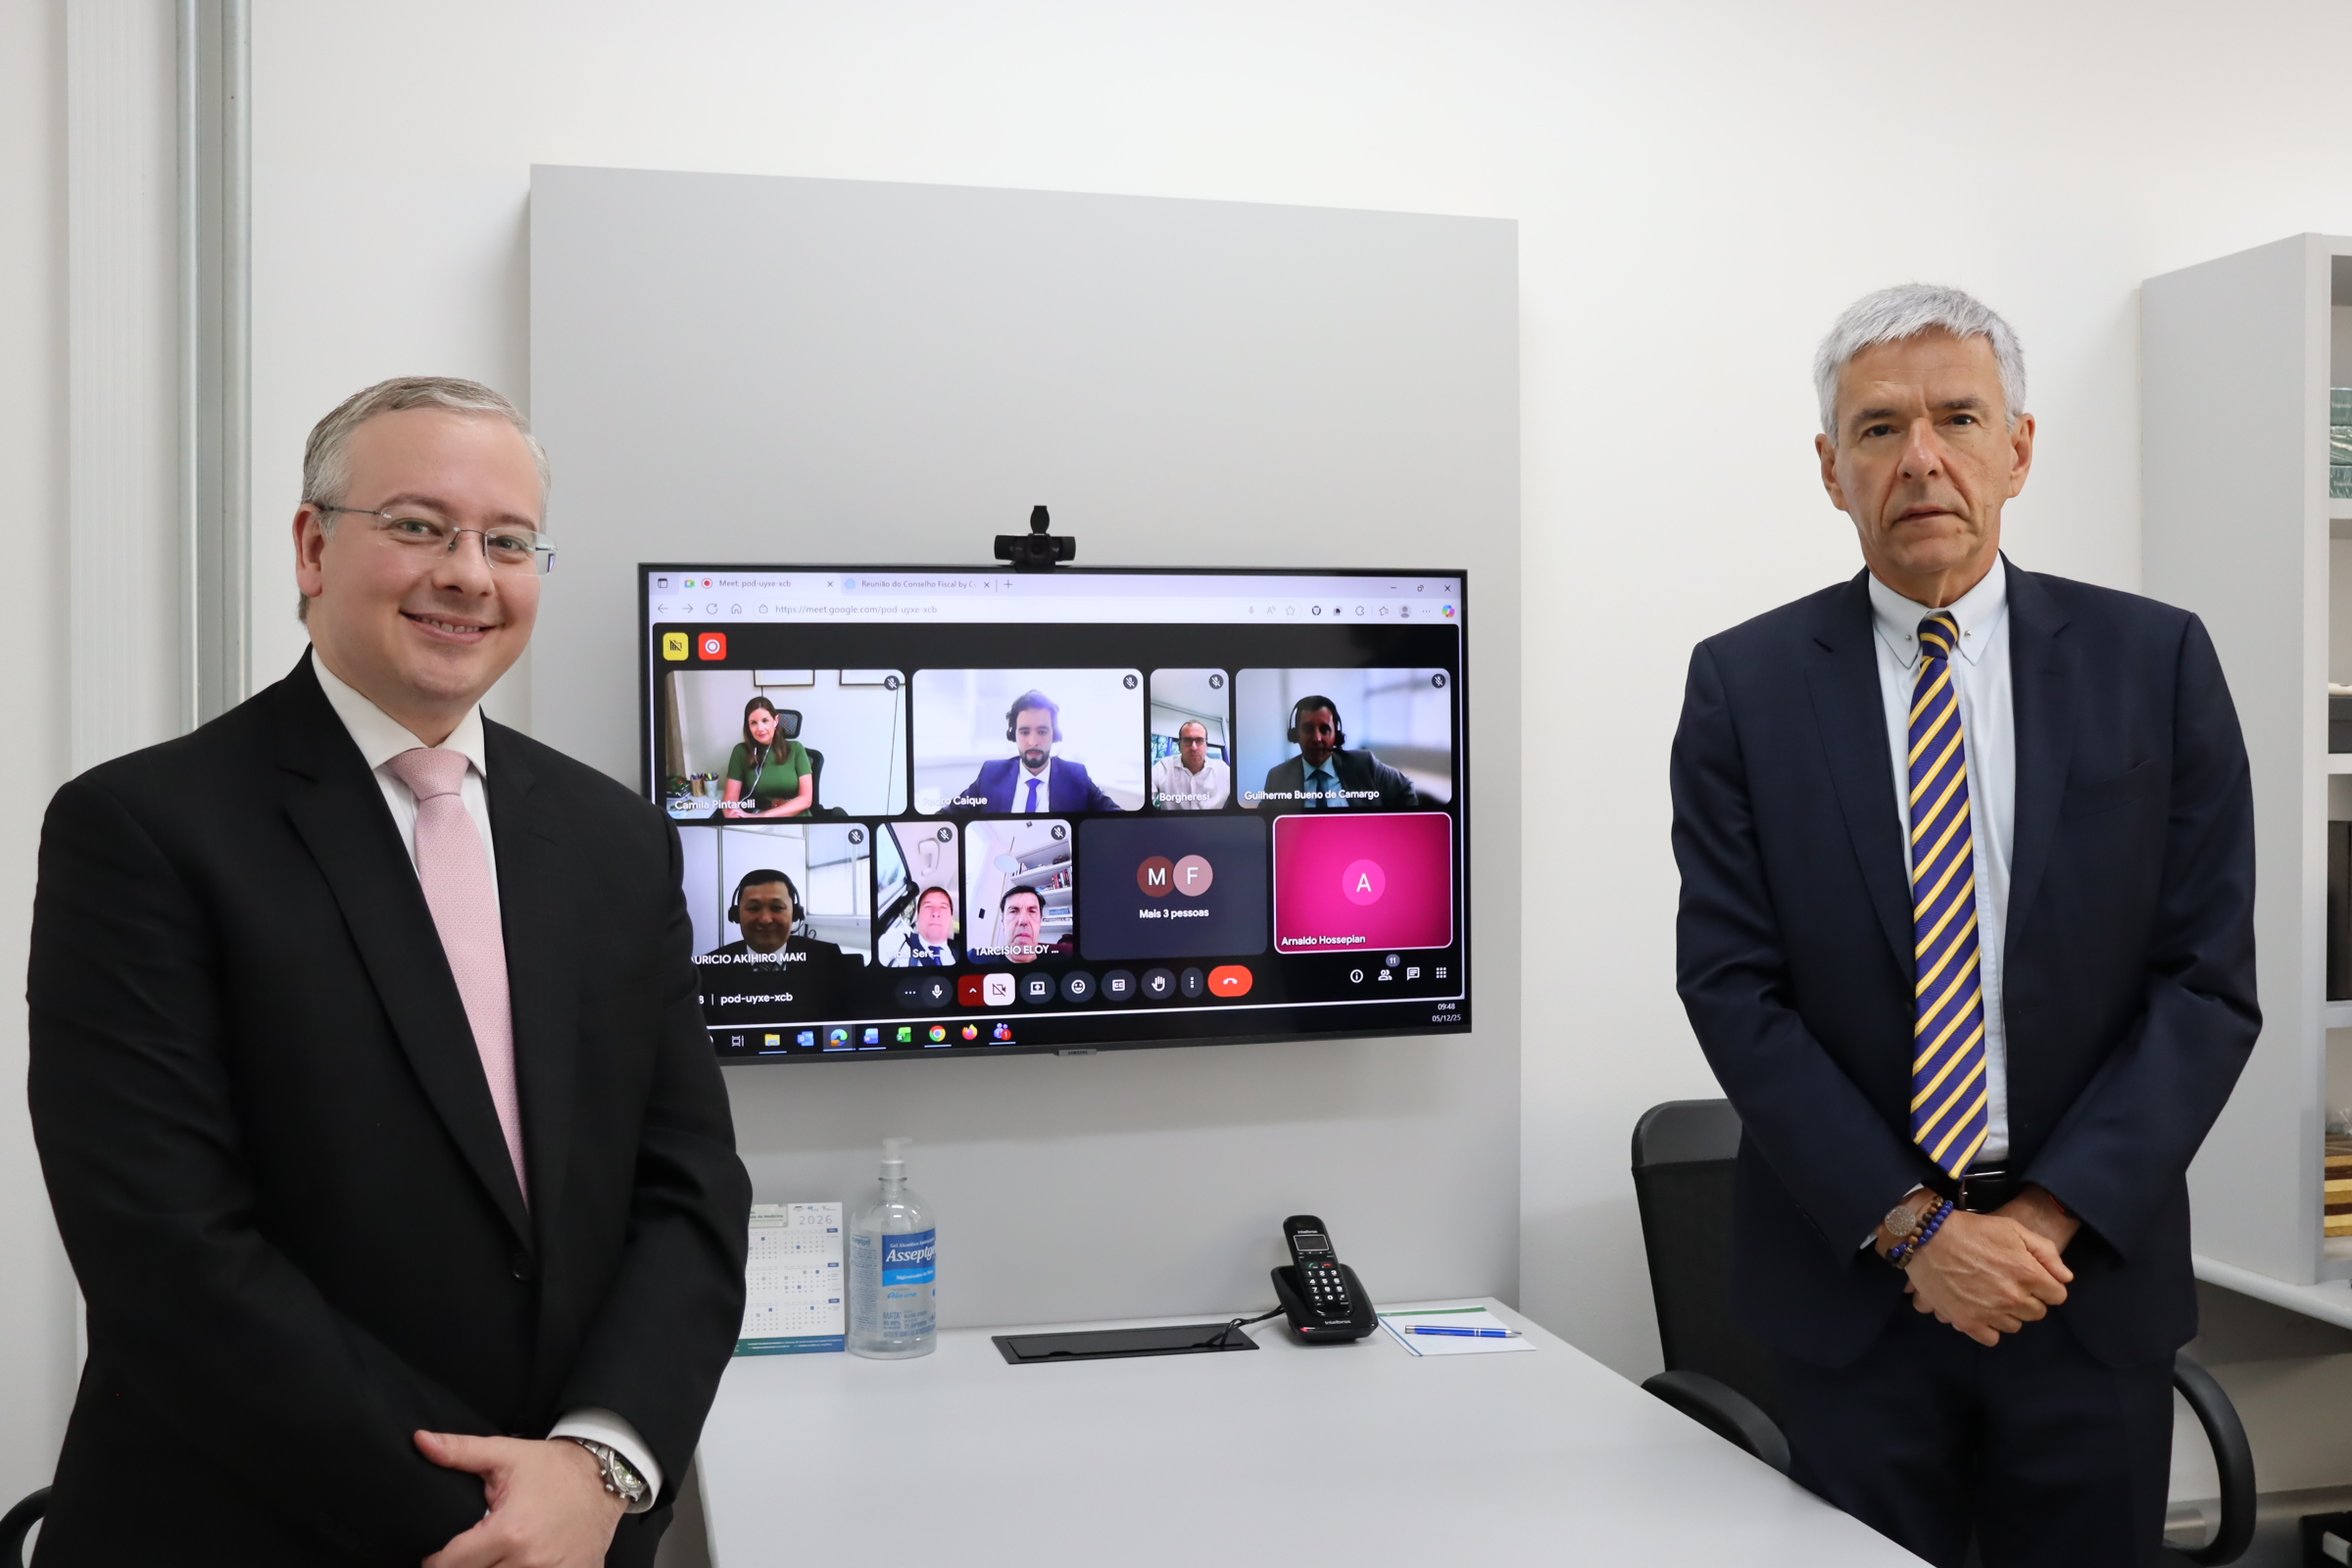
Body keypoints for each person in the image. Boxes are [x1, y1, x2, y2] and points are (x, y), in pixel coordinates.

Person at [27, 376, 753, 1567]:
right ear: (313, 548)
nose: (469, 573)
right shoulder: (145, 831)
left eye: (508, 541)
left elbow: (690, 1191)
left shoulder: (616, 840)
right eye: (419, 525)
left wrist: (598, 1466)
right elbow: (167, 1251)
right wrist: (499, 1523)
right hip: (258, 1530)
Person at [1669, 285, 2257, 1567]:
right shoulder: (1744, 686)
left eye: (1958, 417)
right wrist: (1922, 1231)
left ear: (2020, 448)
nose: (1921, 458)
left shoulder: (2155, 664)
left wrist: (2036, 1227)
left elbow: (2206, 982)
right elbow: (1731, 987)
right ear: (1831, 469)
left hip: (2083, 1285)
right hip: (1852, 1295)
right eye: (1879, 428)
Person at [951, 689, 1120, 814]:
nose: (1033, 742)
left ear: (1054, 734)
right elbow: (949, 814)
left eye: (1042, 731)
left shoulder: (1076, 776)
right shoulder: (991, 774)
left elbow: (1117, 817)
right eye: (1024, 732)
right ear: (1013, 735)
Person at [1253, 696, 1416, 815]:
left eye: (1325, 729)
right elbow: (1263, 823)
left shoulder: (1365, 764)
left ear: (1336, 735)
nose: (1317, 738)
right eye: (1308, 729)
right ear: (1296, 734)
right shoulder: (1278, 777)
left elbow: (1405, 788)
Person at [719, 696, 813, 817]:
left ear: (776, 720)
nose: (760, 728)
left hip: (795, 818)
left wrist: (762, 817)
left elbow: (806, 799)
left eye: (765, 721)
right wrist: (737, 820)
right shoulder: (740, 752)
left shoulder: (796, 749)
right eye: (753, 723)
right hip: (756, 818)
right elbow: (730, 800)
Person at [1150, 719, 1231, 808]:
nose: (1194, 747)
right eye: (1187, 740)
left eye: (1199, 740)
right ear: (1179, 746)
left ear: (1206, 745)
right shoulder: (1163, 767)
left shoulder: (1223, 770)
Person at [881, 885, 959, 967]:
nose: (936, 913)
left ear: (951, 916)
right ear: (918, 916)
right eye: (928, 906)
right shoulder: (897, 943)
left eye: (943, 907)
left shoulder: (962, 951)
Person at [992, 885, 1072, 963]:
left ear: (1040, 921)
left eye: (1032, 911)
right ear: (1002, 922)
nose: (1023, 921)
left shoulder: (1062, 962)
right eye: (1013, 911)